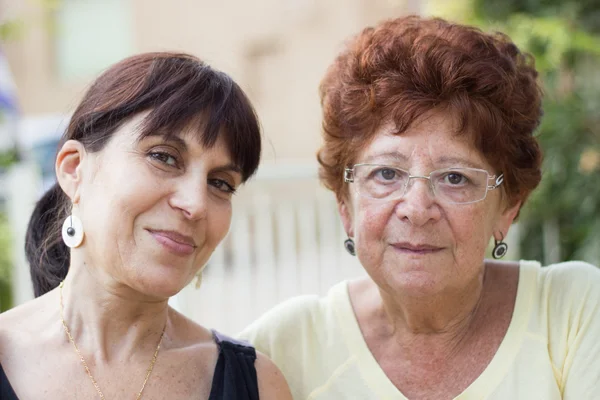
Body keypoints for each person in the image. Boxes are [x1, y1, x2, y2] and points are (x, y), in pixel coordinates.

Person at [239, 16, 600, 399]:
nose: (416, 208)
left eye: (455, 178)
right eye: (386, 173)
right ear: (345, 204)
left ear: (508, 208)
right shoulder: (278, 352)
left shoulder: (572, 313)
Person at [0, 52, 292, 400]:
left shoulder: (256, 385)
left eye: (220, 183)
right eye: (164, 157)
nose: (196, 204)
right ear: (74, 169)